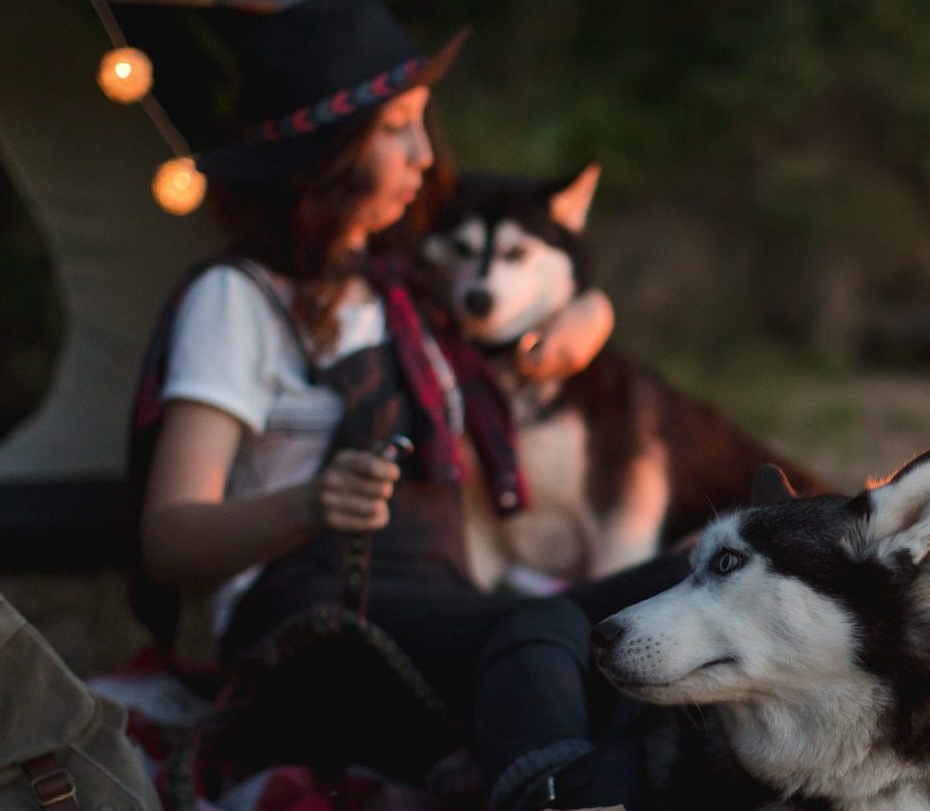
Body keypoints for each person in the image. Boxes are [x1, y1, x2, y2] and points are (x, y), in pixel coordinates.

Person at [132, 3, 666, 808]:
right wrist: (312, 504)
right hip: (309, 632)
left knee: (684, 588)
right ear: (329, 149)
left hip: (442, 605)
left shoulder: (408, 292)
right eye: (399, 128)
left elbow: (538, 301)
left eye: (422, 123)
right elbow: (169, 537)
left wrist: (590, 311)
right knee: (536, 627)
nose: (425, 154)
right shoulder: (237, 301)